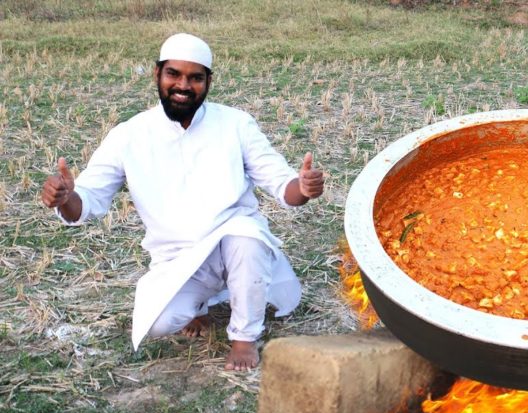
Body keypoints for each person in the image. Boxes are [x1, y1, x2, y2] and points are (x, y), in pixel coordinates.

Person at [40, 33, 325, 371]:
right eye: (173, 74)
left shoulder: (236, 124)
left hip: (234, 242)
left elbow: (282, 185)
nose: (183, 85)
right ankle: (202, 304)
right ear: (157, 74)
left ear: (208, 81)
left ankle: (244, 337)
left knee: (247, 240)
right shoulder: (128, 135)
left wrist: (304, 189)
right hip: (178, 258)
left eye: (195, 77)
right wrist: (65, 197)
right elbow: (86, 202)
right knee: (160, 322)